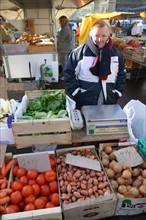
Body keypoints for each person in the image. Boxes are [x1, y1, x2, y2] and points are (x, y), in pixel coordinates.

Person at [63, 20, 126, 110]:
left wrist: (117, 92)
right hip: (85, 100)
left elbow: (121, 74)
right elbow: (68, 73)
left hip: (109, 99)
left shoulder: (116, 54)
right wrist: (76, 92)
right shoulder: (79, 53)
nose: (100, 39)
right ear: (90, 34)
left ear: (109, 35)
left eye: (104, 36)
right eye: (96, 35)